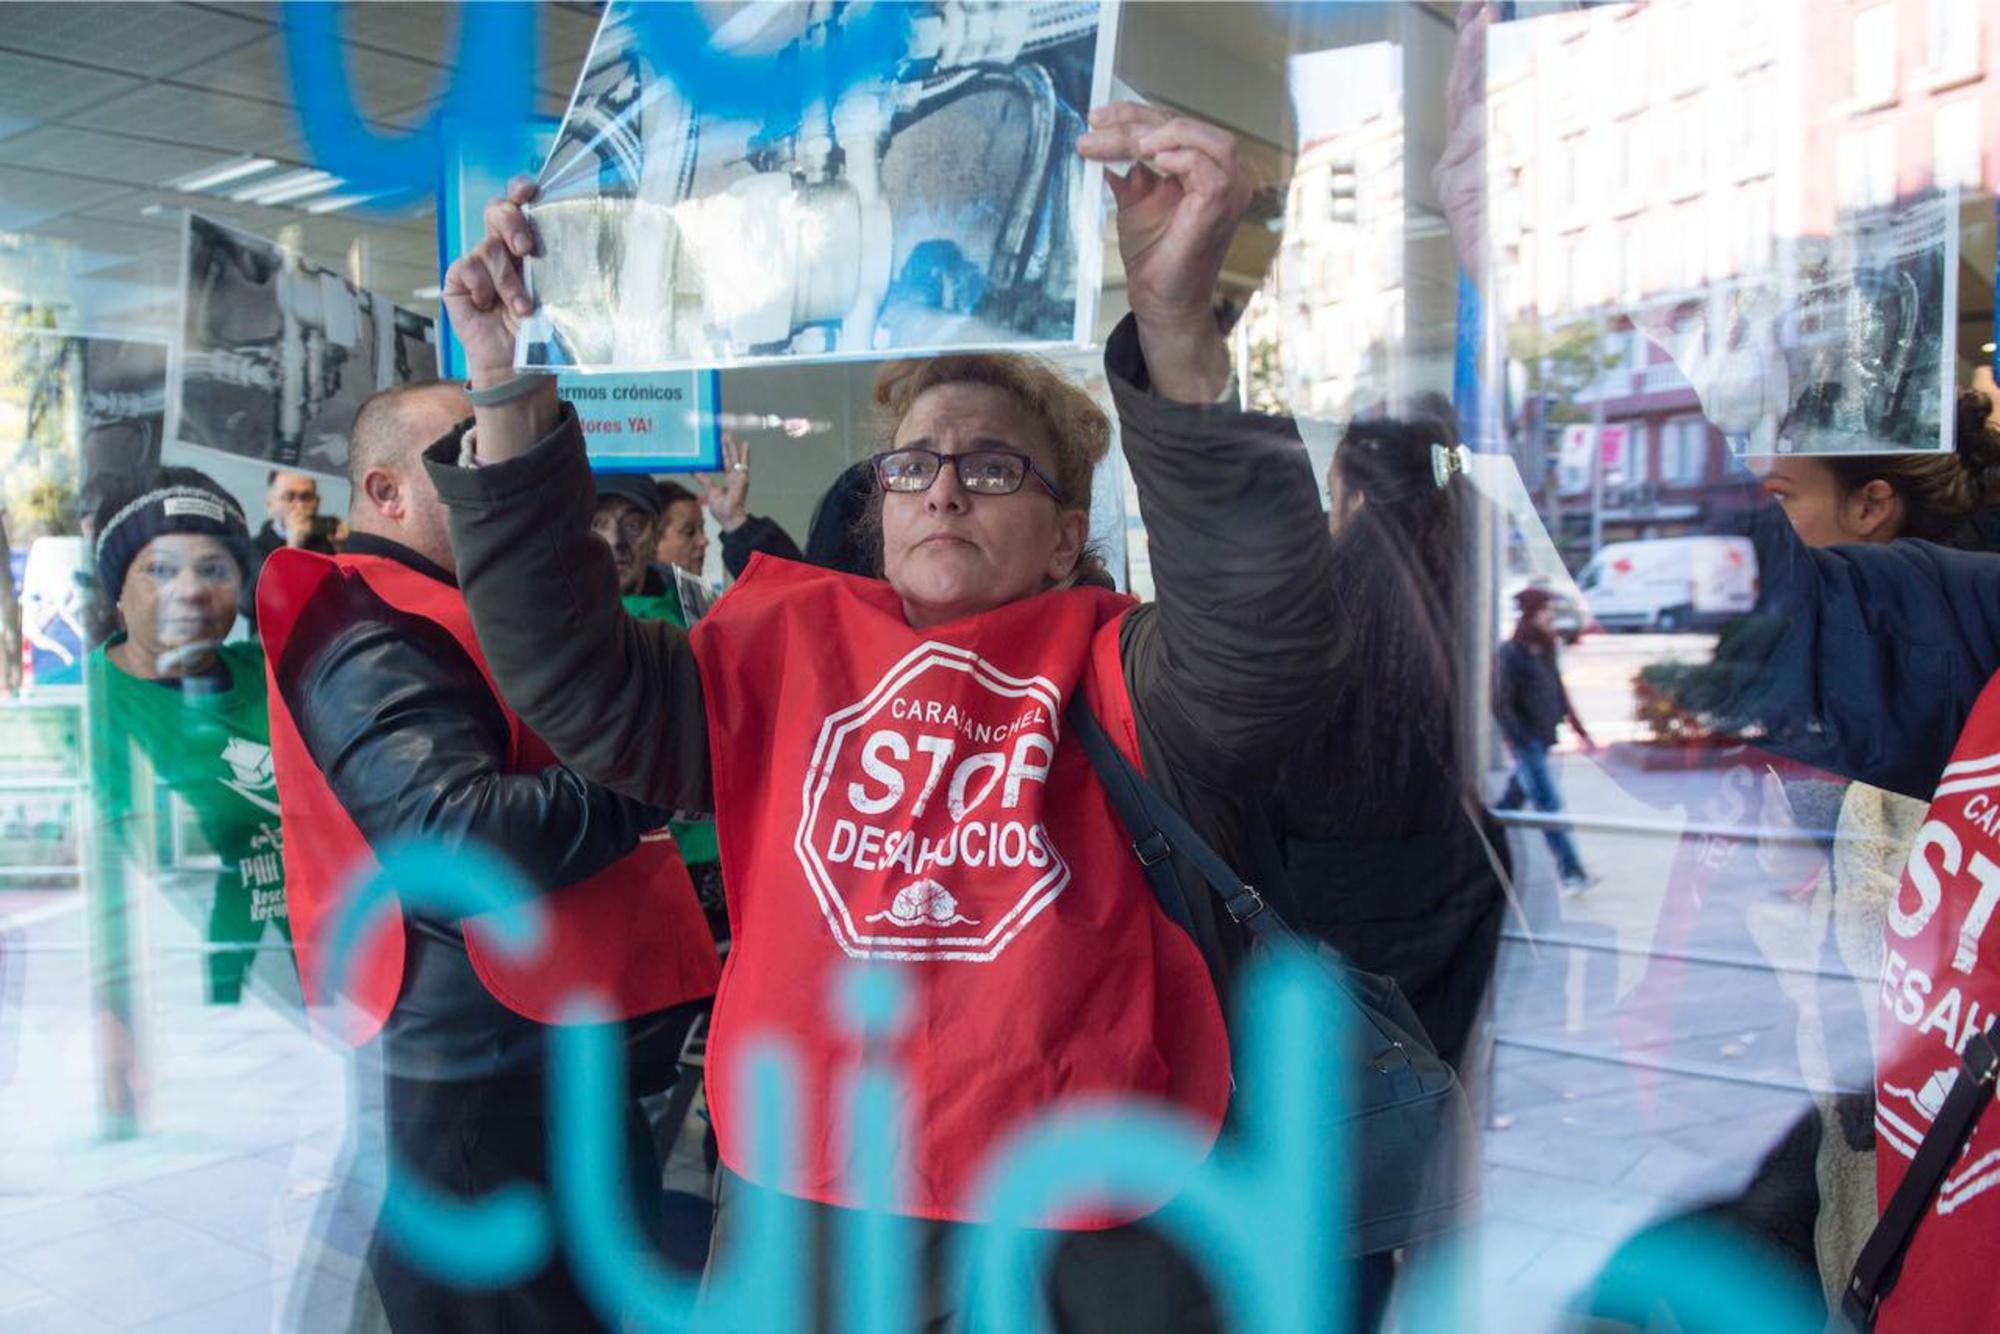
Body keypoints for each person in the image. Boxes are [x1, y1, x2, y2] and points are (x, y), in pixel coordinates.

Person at [429, 102, 1338, 1328]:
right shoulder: (781, 643)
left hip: (1084, 1207)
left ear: (1068, 535)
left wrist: (1175, 323)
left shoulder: (1124, 661)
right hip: (814, 1198)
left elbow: (1260, 645)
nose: (945, 483)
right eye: (913, 462)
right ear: (882, 506)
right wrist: (507, 389)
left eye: (994, 466)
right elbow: (573, 676)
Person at [253, 379, 721, 1333]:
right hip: (476, 1074)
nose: (498, 476)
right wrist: (652, 771)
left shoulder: (468, 609)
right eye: (468, 456)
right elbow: (450, 839)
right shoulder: (360, 621)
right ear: (386, 493)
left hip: (543, 1057)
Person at [86, 467, 291, 1020]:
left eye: (214, 569)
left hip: (307, 1001)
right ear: (119, 592)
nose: (193, 590)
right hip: (185, 1013)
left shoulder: (275, 675)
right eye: (160, 569)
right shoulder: (86, 709)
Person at [1493, 585, 1597, 892]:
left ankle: (1480, 839)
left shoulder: (1547, 649)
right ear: (1533, 613)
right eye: (1547, 610)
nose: (1551, 615)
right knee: (1549, 805)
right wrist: (1518, 738)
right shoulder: (1511, 653)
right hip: (1528, 743)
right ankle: (1572, 872)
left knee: (1509, 805)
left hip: (1542, 737)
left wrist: (1580, 730)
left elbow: (1558, 691)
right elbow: (1500, 702)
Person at [253, 469, 341, 558]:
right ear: (269, 505)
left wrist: (342, 550)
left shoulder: (330, 541)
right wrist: (293, 547)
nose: (300, 506)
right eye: (289, 497)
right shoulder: (254, 550)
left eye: (307, 497)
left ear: (317, 503)